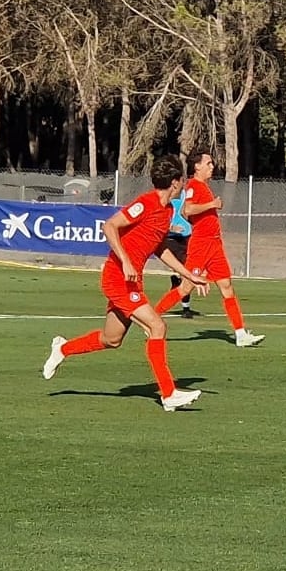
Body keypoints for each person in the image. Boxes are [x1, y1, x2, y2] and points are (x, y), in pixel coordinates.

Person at [41, 156, 210, 411]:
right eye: (183, 180)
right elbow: (110, 226)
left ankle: (63, 348)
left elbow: (160, 248)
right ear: (175, 183)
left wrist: (188, 273)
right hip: (117, 278)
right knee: (158, 326)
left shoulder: (166, 211)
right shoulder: (146, 203)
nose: (184, 185)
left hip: (132, 282)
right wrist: (126, 261)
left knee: (112, 339)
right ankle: (168, 394)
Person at [154, 150, 264, 347]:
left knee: (226, 286)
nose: (212, 166)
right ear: (197, 167)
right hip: (201, 244)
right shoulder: (194, 186)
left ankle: (240, 334)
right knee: (185, 287)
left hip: (215, 244)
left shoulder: (204, 186)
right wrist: (212, 204)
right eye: (208, 163)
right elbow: (186, 210)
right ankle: (152, 319)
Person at [164, 183, 195, 319]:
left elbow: (189, 212)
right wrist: (171, 227)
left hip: (187, 236)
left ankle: (177, 285)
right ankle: (186, 309)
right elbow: (159, 219)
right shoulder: (165, 197)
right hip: (171, 238)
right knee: (185, 272)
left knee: (188, 270)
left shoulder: (185, 195)